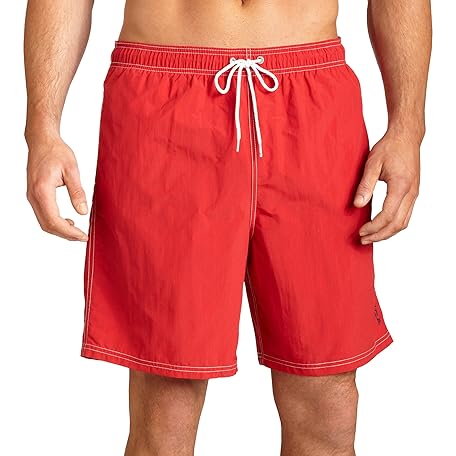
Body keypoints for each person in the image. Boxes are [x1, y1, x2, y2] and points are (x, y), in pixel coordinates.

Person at [24, 1, 432, 455]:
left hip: (313, 99)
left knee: (327, 403)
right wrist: (43, 129)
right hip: (165, 97)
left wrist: (407, 127)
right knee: (166, 408)